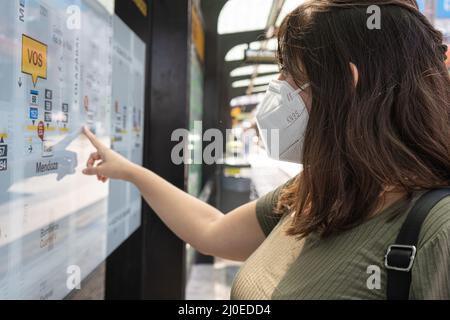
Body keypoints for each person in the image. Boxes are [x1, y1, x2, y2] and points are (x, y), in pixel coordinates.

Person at [82, 0, 450, 299]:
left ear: (348, 85)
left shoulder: (436, 228)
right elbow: (212, 231)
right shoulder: (317, 189)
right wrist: (130, 171)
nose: (277, 90)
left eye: (291, 76)